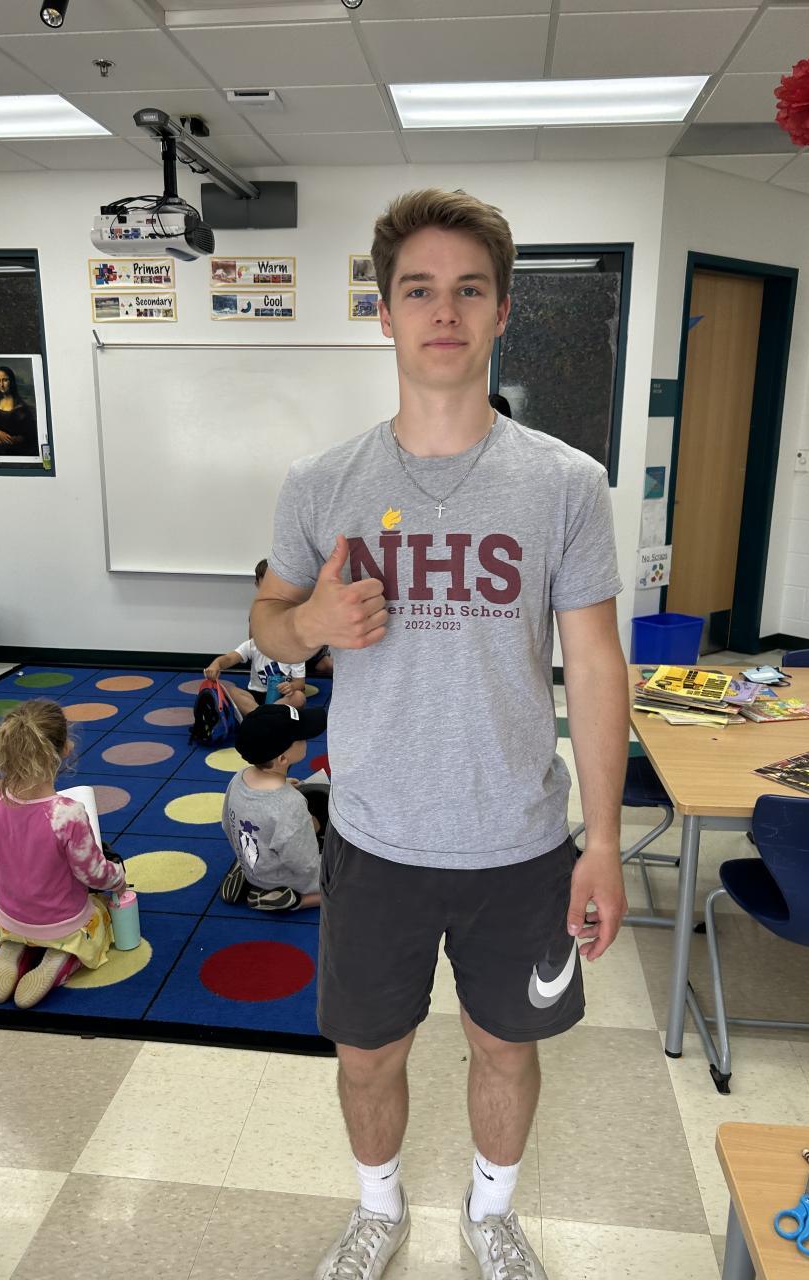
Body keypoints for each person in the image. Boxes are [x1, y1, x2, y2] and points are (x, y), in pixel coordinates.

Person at [251, 189, 629, 1280]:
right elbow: (266, 619)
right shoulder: (322, 483)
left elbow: (595, 665)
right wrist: (309, 626)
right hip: (375, 837)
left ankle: (491, 1214)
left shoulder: (565, 483)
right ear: (385, 313)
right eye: (418, 289)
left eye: (469, 289)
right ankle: (378, 1211)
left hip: (520, 841)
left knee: (507, 1045)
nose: (444, 311)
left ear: (503, 310)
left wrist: (604, 839)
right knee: (369, 1053)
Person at [0, 700, 126, 1009]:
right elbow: (92, 874)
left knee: (19, 921)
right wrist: (118, 878)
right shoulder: (67, 814)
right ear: (65, 749)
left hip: (10, 914)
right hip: (63, 920)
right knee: (99, 913)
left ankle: (14, 946)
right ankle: (63, 958)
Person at [220, 702, 329, 912]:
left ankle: (246, 870)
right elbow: (304, 864)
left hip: (254, 861)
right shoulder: (291, 804)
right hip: (286, 877)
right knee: (351, 882)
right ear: (282, 758)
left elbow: (227, 823)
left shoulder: (239, 778)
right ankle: (291, 899)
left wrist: (284, 785)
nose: (306, 739)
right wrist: (312, 827)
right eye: (301, 737)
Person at [204, 558, 309, 715]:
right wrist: (215, 665)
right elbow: (228, 658)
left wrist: (291, 686)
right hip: (256, 694)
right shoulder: (253, 644)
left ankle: (259, 716)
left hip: (282, 697)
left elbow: (299, 684)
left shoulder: (294, 648)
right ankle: (264, 716)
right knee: (232, 691)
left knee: (299, 698)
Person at [0, 365, 38, 457]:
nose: (2, 385)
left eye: (5, 380)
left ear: (12, 382)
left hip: (14, 452)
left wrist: (6, 440)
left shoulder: (21, 408)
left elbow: (28, 435)